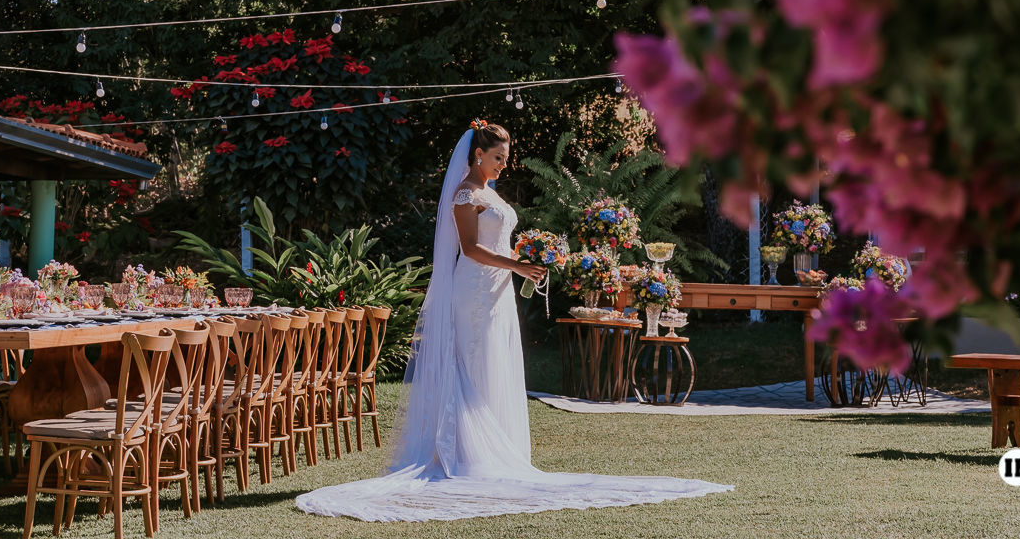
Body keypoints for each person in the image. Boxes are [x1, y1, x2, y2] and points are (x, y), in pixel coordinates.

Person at [296, 121, 731, 522]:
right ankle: (463, 454)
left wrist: (527, 259)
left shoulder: (491, 192)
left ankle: (489, 450)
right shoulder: (466, 194)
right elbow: (469, 249)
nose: (504, 164)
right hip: (472, 290)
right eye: (498, 157)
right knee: (471, 362)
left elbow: (498, 239)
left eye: (506, 158)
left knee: (493, 363)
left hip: (497, 290)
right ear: (478, 155)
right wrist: (517, 265)